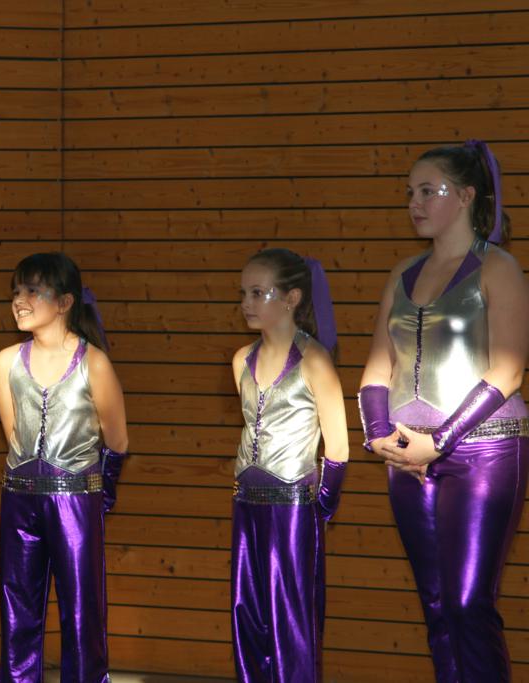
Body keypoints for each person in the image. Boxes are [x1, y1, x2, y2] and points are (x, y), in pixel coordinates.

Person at [358, 141, 529, 682]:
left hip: (484, 450)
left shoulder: (497, 268)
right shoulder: (402, 273)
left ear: (466, 196)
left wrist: (439, 441)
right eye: (410, 192)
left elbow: (508, 370)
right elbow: (376, 368)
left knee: (467, 602)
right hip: (407, 455)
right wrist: (379, 435)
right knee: (434, 603)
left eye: (428, 191)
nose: (415, 203)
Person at [0, 252, 128, 683]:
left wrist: (96, 498)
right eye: (16, 290)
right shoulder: (6, 361)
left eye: (33, 290)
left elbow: (117, 442)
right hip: (19, 500)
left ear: (66, 302)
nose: (20, 299)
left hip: (74, 503)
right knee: (17, 608)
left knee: (81, 610)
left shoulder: (93, 362)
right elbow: (14, 435)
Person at [231, 248, 348, 682]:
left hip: (294, 508)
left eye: (258, 293)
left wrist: (320, 508)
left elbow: (338, 446)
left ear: (292, 298)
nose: (246, 303)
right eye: (243, 293)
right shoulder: (241, 360)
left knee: (291, 615)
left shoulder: (313, 360)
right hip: (246, 503)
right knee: (248, 610)